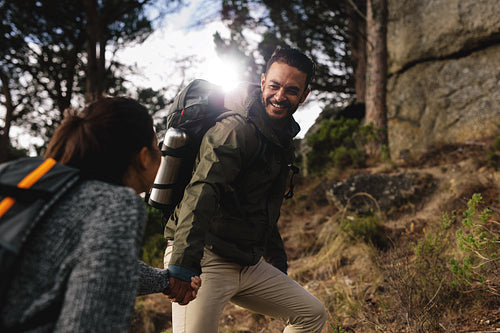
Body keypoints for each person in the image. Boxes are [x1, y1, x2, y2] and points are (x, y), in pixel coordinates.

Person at [0, 97, 201, 332]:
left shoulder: (23, 178)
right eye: (158, 148)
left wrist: (166, 280)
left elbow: (99, 266)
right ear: (143, 157)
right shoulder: (114, 203)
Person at [164, 47, 327, 332]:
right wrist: (183, 264)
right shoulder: (235, 129)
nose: (279, 96)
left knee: (311, 314)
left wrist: (276, 261)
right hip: (204, 257)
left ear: (304, 95)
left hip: (246, 262)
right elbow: (202, 191)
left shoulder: (281, 137)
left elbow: (265, 204)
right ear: (263, 82)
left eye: (291, 90)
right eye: (274, 86)